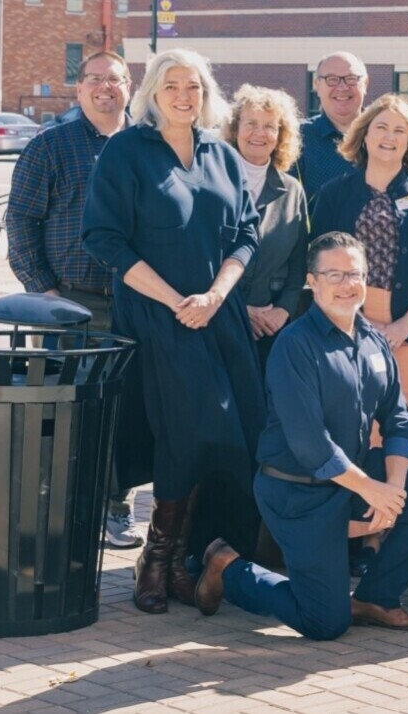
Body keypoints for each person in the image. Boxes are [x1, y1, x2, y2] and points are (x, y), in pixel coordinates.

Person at [194, 232, 408, 639]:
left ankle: (377, 598)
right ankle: (229, 570)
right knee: (325, 622)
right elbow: (310, 444)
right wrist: (372, 490)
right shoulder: (294, 345)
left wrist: (393, 488)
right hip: (298, 490)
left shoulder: (374, 341)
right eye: (333, 274)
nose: (346, 284)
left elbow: (399, 420)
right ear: (311, 282)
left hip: (353, 476)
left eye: (354, 273)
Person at [81, 48, 267, 614]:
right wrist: (175, 300)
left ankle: (183, 560)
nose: (183, 95)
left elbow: (246, 235)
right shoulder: (126, 150)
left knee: (229, 438)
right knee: (184, 434)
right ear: (153, 94)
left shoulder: (222, 155)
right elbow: (104, 238)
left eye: (193, 86)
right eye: (172, 86)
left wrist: (215, 295)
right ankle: (156, 562)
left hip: (218, 318)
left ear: (206, 93)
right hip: (156, 317)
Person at [7, 50, 143, 550]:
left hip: (137, 302)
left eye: (115, 79)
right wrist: (42, 290)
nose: (105, 88)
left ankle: (115, 509)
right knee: (72, 413)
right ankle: (66, 514)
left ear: (129, 86)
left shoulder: (146, 145)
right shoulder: (51, 146)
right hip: (72, 304)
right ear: (79, 88)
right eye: (94, 80)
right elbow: (20, 220)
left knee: (127, 411)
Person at [309, 94, 408, 480]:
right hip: (349, 329)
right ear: (363, 135)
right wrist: (359, 323)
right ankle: (367, 531)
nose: (389, 137)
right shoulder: (334, 193)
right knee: (360, 429)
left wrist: (404, 326)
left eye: (399, 130)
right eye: (381, 127)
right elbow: (315, 263)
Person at [227, 85, 311, 366]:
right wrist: (240, 311)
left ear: (281, 135)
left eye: (269, 126)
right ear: (235, 129)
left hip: (273, 329)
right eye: (251, 123)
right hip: (219, 322)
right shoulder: (213, 181)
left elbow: (299, 264)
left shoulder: (292, 191)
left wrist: (283, 311)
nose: (259, 133)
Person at [296, 52, 369, 199]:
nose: (342, 87)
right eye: (332, 79)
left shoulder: (386, 136)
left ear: (365, 84)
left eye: (351, 79)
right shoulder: (298, 138)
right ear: (317, 85)